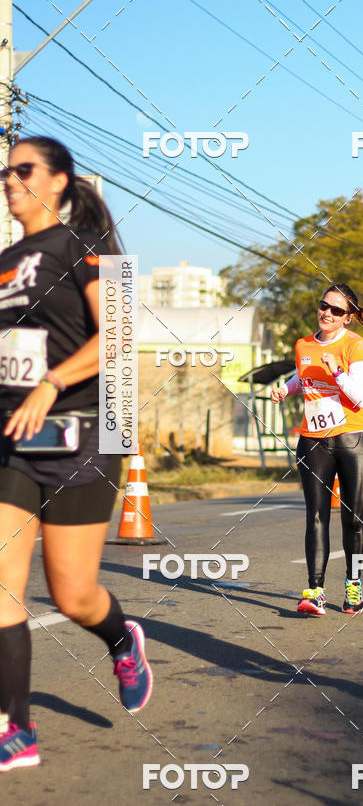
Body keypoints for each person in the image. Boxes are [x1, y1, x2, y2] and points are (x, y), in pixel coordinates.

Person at [0, 137, 152, 772]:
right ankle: (17, 729)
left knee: (72, 596)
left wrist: (53, 381)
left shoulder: (85, 247)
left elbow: (121, 337)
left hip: (81, 437)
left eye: (23, 169)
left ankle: (122, 638)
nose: (10, 180)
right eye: (5, 171)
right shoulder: (2, 260)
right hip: (11, 440)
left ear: (58, 181)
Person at [272, 284, 363, 616]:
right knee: (317, 515)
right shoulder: (304, 344)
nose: (327, 313)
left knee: (352, 517)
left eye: (337, 310)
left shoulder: (356, 346)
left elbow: (360, 397)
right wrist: (287, 388)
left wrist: (336, 369)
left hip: (355, 440)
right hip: (314, 440)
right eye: (325, 306)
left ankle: (353, 587)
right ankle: (315, 592)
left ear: (347, 318)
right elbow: (303, 373)